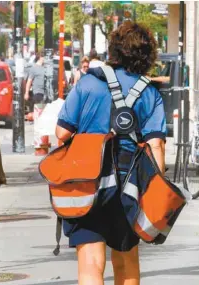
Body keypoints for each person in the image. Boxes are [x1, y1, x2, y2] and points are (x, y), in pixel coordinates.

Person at [55, 21, 166, 285]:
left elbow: (61, 133)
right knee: (126, 262)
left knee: (91, 263)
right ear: (146, 55)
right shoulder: (149, 92)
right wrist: (158, 190)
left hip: (86, 181)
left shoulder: (89, 83)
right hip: (128, 185)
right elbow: (156, 146)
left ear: (114, 49)